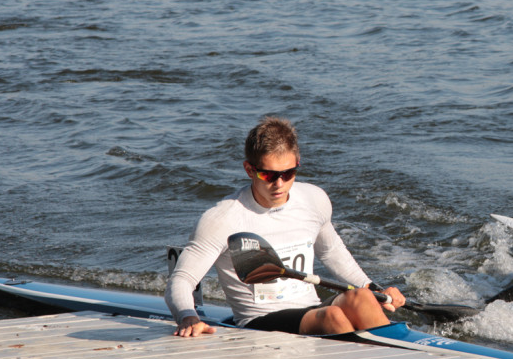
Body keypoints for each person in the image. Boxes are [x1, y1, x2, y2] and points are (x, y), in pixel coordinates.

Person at [166, 116, 404, 338]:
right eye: (269, 175)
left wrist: (375, 290)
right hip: (260, 320)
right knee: (332, 315)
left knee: (361, 297)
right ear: (250, 170)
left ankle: (398, 353)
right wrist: (187, 317)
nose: (279, 184)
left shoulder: (314, 199)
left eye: (288, 173)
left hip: (311, 309)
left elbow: (332, 252)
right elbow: (182, 280)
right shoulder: (222, 219)